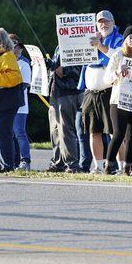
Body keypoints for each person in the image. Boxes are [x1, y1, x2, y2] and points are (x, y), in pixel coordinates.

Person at [78, 10, 124, 174]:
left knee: (114, 132)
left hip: (109, 91)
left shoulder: (119, 39)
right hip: (91, 92)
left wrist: (100, 46)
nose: (103, 25)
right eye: (100, 22)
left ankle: (121, 167)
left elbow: (119, 56)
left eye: (106, 22)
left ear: (113, 23)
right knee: (93, 131)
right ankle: (98, 166)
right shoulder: (89, 38)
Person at [103, 26, 132, 175]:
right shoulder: (117, 56)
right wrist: (117, 72)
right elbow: (106, 79)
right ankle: (108, 165)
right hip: (118, 100)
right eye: (130, 37)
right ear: (125, 39)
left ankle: (127, 169)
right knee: (118, 133)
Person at [0, 27, 24, 172]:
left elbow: (13, 79)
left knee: (4, 132)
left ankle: (8, 164)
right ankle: (0, 163)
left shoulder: (8, 56)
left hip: (7, 100)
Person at [47, 45, 84, 173]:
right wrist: (47, 64)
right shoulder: (59, 46)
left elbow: (82, 68)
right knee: (55, 130)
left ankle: (72, 164)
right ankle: (59, 162)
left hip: (69, 91)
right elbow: (55, 65)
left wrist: (66, 71)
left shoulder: (78, 43)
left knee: (65, 129)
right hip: (55, 91)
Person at [9, 34, 32, 170]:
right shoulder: (3, 61)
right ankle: (12, 159)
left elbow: (23, 85)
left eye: (19, 48)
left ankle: (25, 160)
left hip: (19, 105)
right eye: (14, 47)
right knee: (9, 134)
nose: (17, 50)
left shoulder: (23, 63)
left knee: (19, 132)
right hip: (6, 104)